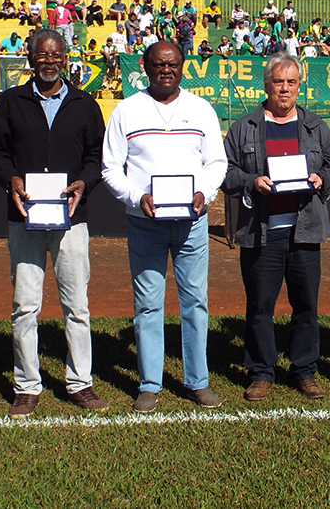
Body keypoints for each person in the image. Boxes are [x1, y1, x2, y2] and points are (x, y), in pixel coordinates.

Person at [0, 28, 109, 419]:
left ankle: (80, 382)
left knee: (77, 306)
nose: (49, 62)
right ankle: (27, 386)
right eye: (42, 55)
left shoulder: (85, 104)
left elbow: (97, 156)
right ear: (31, 59)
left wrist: (83, 183)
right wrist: (12, 180)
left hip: (71, 220)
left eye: (56, 55)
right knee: (25, 306)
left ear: (65, 59)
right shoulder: (11, 101)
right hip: (26, 220)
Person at [101, 41, 228, 413]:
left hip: (192, 224)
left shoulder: (200, 109)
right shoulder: (127, 110)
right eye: (158, 64)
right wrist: (136, 196)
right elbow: (110, 168)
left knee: (195, 302)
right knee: (147, 304)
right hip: (146, 223)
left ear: (182, 66)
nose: (166, 70)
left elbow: (216, 162)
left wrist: (205, 192)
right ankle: (150, 384)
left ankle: (197, 381)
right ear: (145, 66)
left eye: (172, 64)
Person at [222, 54, 330, 402]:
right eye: (278, 81)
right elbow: (224, 171)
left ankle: (304, 370)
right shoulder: (244, 127)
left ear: (299, 86)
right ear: (266, 85)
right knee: (260, 306)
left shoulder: (315, 126)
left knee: (306, 305)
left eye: (291, 82)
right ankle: (261, 372)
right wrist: (250, 181)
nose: (284, 88)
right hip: (261, 234)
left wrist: (322, 178)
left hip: (304, 232)